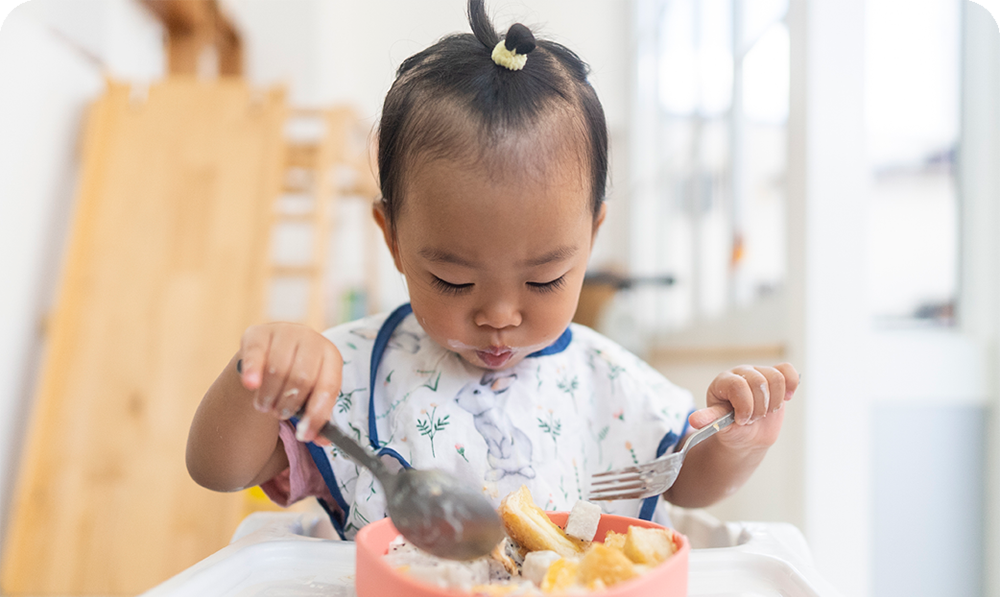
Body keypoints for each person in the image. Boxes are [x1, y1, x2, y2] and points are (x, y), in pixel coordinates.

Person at [186, 0, 799, 540]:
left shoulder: (607, 384)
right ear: (393, 240)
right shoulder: (347, 375)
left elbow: (684, 485)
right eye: (454, 281)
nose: (499, 315)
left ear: (591, 238)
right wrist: (257, 376)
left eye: (544, 280)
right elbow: (218, 469)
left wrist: (739, 443)